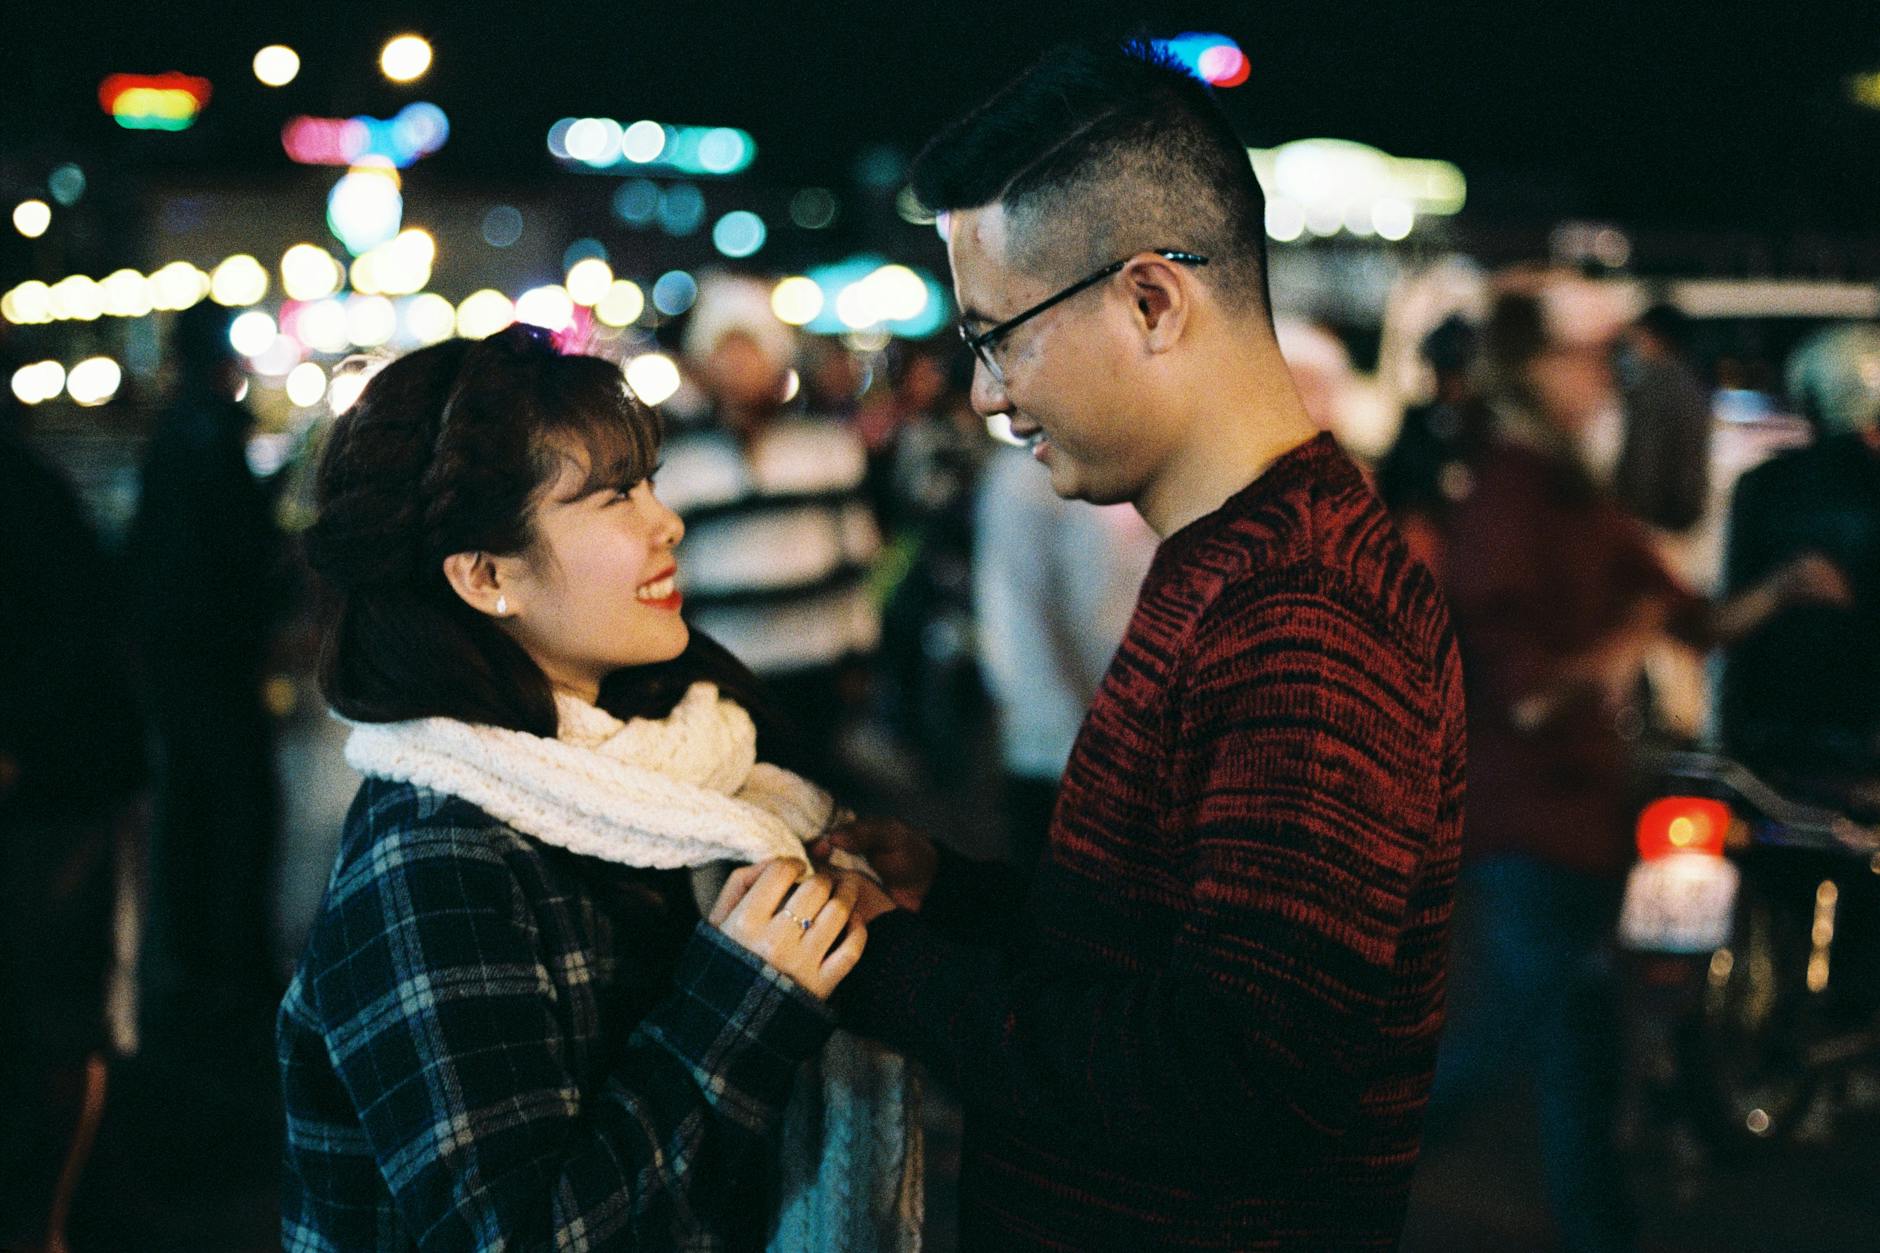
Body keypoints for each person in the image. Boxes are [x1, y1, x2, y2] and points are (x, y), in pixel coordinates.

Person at [818, 39, 1469, 1250]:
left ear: (1149, 300)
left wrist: (885, 969)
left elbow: (1235, 1076)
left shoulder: (1305, 613)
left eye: (994, 333)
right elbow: (1150, 946)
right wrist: (947, 896)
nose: (987, 395)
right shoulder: (1236, 555)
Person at [277, 327, 919, 1250]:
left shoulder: (682, 758)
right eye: (618, 497)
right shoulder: (438, 852)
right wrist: (747, 995)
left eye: (651, 483)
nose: (669, 522)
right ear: (488, 576)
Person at [1432, 287, 1849, 1253]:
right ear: (1528, 372)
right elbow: (1530, 695)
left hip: (1583, 821)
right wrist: (1628, 640)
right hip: (1528, 820)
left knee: (1576, 1052)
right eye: (1581, 359)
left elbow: (1692, 621)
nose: (1600, 376)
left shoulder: (1581, 498)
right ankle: (1317, 1179)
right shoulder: (1506, 501)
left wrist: (1783, 589)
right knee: (1508, 1045)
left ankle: (1596, 1229)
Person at [125, 301, 286, 1075]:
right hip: (220, 658)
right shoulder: (215, 434)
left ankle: (193, 960)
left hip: (175, 659)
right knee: (240, 806)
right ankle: (236, 967)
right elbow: (240, 550)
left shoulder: (169, 435)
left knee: (192, 806)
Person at [657, 276, 882, 778]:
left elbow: (857, 556)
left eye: (752, 347)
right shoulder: (677, 460)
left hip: (818, 671)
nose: (739, 364)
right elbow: (673, 573)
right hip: (725, 676)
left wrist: (861, 653)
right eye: (724, 349)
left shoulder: (827, 444)